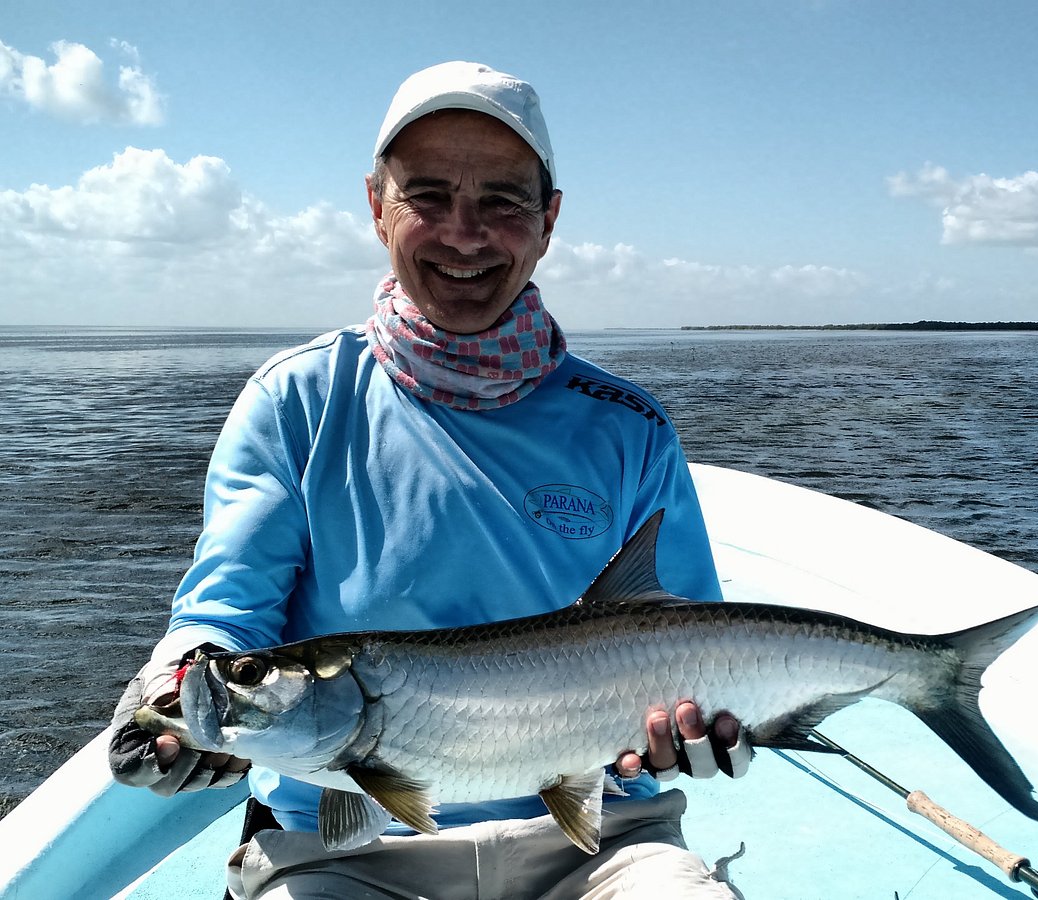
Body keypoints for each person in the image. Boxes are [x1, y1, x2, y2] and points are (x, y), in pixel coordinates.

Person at [109, 61, 749, 899]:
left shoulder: (628, 426)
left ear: (548, 220)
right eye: (430, 196)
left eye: (502, 202)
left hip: (601, 840)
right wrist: (170, 687)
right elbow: (224, 612)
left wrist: (707, 728)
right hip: (339, 847)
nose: (465, 232)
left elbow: (687, 638)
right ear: (378, 206)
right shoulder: (296, 401)